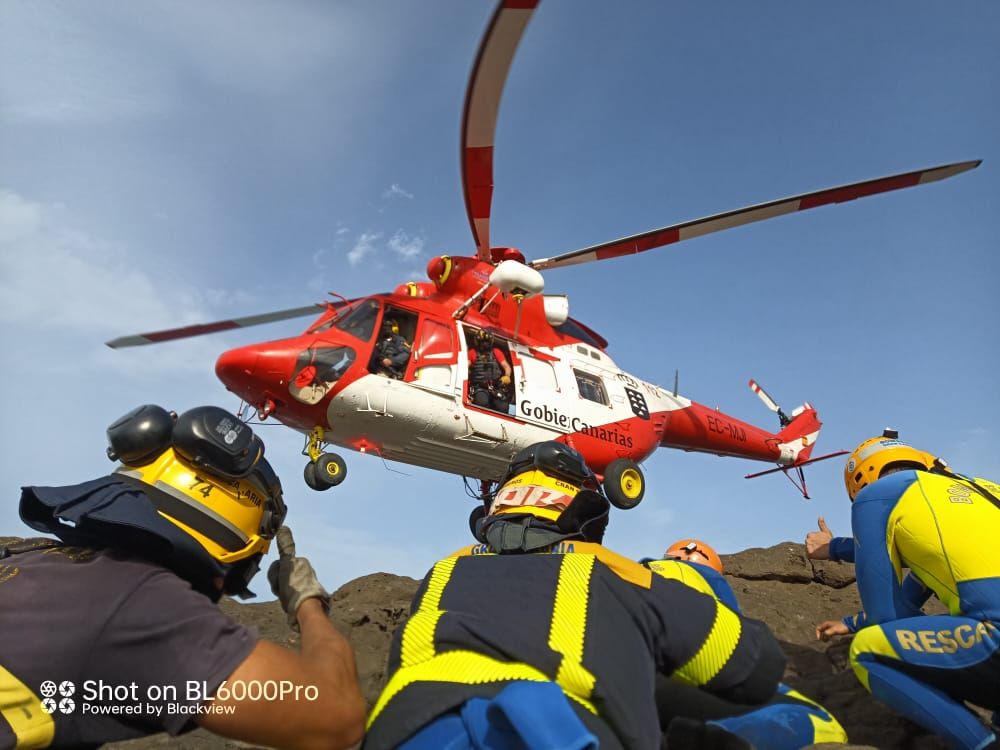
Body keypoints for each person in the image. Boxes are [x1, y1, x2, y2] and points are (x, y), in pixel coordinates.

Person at [363, 441, 786, 750]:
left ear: (495, 509)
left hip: (403, 728)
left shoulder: (443, 571)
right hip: (559, 732)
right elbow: (755, 669)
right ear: (585, 510)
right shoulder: (615, 571)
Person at [0, 404, 365, 750]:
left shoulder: (27, 557)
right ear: (237, 551)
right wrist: (307, 602)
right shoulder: (142, 604)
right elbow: (336, 716)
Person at [810, 431, 1000, 750]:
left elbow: (887, 618)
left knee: (869, 650)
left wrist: (832, 548)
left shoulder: (877, 496)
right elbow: (920, 584)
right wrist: (852, 621)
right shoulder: (983, 488)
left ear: (862, 479)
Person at [646, 540, 848, 749]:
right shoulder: (707, 577)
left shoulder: (636, 574)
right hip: (682, 679)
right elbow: (736, 646)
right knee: (821, 723)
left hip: (629, 682)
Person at [467, 328, 512, 412]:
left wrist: (507, 376)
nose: (484, 344)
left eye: (486, 341)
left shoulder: (496, 352)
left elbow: (507, 367)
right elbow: (465, 366)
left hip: (496, 387)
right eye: (482, 342)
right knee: (482, 404)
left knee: (503, 408)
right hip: (480, 387)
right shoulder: (472, 352)